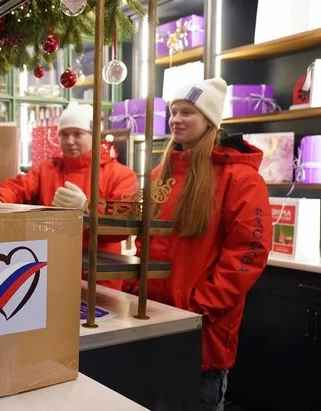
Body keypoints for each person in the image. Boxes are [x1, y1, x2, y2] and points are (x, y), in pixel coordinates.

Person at [128, 78, 272, 411]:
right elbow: (146, 242)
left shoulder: (240, 178)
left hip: (201, 334)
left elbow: (248, 253)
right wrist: (136, 290)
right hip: (151, 326)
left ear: (209, 120)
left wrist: (200, 307)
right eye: (173, 112)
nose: (176, 120)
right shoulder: (160, 175)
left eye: (187, 112)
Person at [0, 104, 138, 290]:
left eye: (77, 134)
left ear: (93, 136)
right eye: (64, 134)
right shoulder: (47, 170)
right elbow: (18, 187)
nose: (69, 141)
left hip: (99, 278)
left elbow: (122, 228)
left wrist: (87, 207)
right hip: (53, 270)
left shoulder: (121, 175)